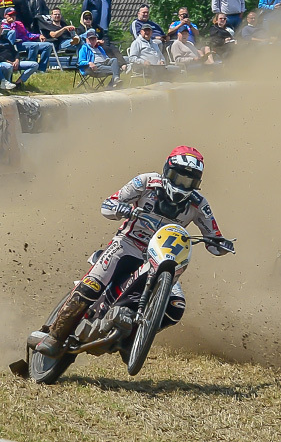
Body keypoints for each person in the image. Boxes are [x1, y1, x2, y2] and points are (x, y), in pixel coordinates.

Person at [35, 146, 235, 358]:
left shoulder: (199, 204)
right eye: (177, 177)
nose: (180, 185)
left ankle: (134, 338)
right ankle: (55, 336)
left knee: (176, 307)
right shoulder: (146, 182)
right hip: (127, 245)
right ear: (167, 171)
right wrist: (121, 209)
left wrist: (222, 244)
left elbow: (214, 240)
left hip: (163, 258)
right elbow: (108, 204)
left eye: (188, 182)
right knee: (92, 283)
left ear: (197, 184)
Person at [1, 7, 53, 72]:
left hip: (26, 42)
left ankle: (41, 69)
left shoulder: (19, 23)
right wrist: (11, 24)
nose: (13, 16)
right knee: (33, 45)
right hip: (15, 45)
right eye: (10, 15)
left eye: (14, 15)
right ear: (5, 16)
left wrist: (39, 35)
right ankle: (31, 68)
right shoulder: (2, 25)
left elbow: (28, 34)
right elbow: (10, 35)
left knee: (48, 45)